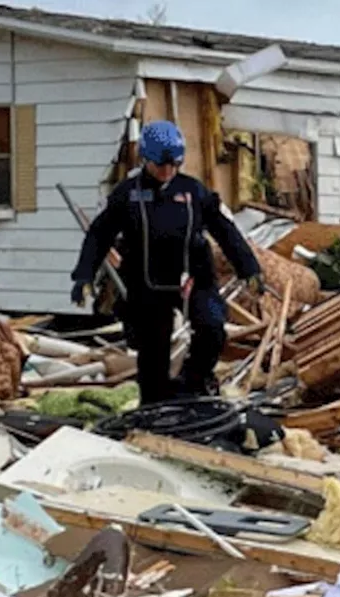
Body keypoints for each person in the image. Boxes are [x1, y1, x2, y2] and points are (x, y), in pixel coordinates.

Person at [70, 120, 263, 405]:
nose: (167, 172)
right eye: (161, 166)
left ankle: (192, 385)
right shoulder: (128, 194)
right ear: (146, 159)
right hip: (146, 281)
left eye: (174, 165)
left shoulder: (193, 191)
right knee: (152, 349)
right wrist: (83, 276)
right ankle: (155, 405)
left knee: (211, 329)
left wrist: (249, 268)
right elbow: (100, 234)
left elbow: (224, 230)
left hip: (193, 275)